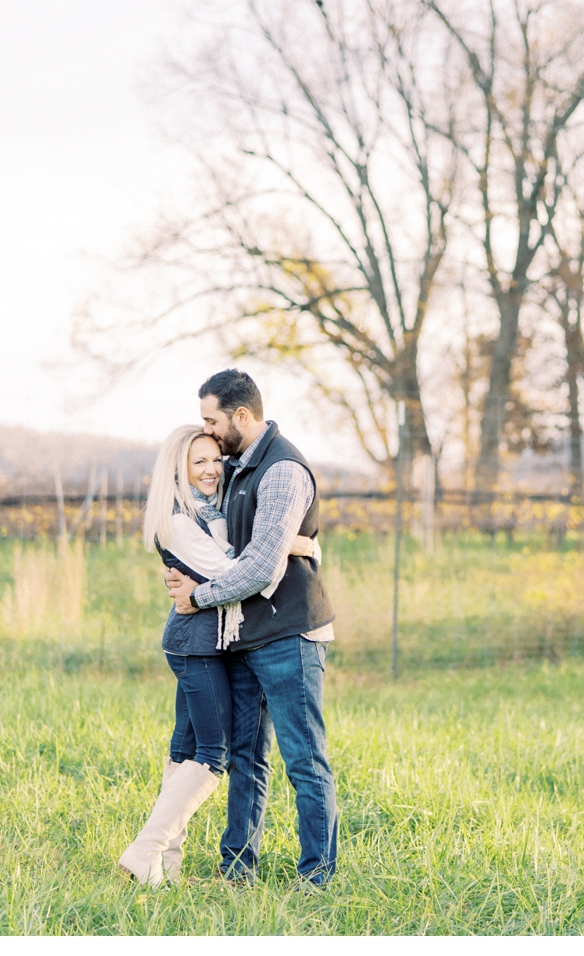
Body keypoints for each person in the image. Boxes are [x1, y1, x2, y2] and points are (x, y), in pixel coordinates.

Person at [117, 424, 318, 886]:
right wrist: (296, 544)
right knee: (214, 753)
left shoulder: (211, 510)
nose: (211, 470)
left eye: (215, 460)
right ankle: (146, 851)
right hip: (196, 645)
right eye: (198, 463)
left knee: (184, 749)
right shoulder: (181, 520)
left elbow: (241, 555)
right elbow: (237, 571)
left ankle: (166, 864)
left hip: (203, 642)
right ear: (179, 471)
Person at [163, 369, 339, 887]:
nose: (209, 432)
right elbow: (227, 545)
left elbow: (262, 565)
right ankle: (237, 869)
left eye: (212, 420)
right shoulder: (237, 467)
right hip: (244, 634)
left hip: (290, 635)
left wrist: (197, 597)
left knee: (304, 759)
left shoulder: (283, 470)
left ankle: (317, 878)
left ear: (241, 415)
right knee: (245, 759)